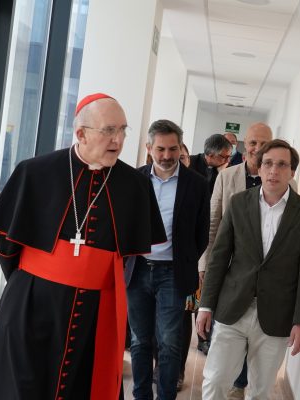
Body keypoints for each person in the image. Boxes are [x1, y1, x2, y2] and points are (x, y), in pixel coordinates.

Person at [0, 93, 165, 400]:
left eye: (122, 130)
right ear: (81, 133)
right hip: (31, 304)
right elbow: (7, 246)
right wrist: (34, 283)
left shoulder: (135, 185)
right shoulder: (35, 172)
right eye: (109, 130)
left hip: (94, 313)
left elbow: (129, 259)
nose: (118, 140)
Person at [196, 139, 300, 400]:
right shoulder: (239, 203)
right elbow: (219, 257)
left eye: (282, 165)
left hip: (277, 314)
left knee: (260, 391)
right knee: (215, 380)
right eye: (268, 164)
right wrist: (206, 305)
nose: (274, 170)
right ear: (259, 167)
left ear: (292, 171)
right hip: (233, 307)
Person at [125, 120, 210, 400]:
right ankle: (141, 396)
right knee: (139, 341)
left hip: (173, 274)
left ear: (180, 147)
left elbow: (202, 233)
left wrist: (185, 260)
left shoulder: (197, 184)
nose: (166, 155)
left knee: (170, 343)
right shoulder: (134, 179)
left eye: (173, 149)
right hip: (137, 271)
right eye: (160, 149)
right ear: (149, 148)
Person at [199, 122, 284, 398]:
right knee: (225, 337)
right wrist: (205, 265)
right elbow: (213, 224)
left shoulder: (285, 184)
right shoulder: (227, 177)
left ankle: (240, 384)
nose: (258, 148)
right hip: (230, 274)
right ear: (243, 146)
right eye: (253, 143)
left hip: (264, 283)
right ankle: (231, 380)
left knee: (256, 343)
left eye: (264, 143)